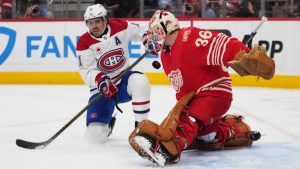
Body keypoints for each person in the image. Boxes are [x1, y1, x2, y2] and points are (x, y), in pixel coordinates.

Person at [129, 10, 275, 166]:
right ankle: (238, 131)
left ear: (163, 29)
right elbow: (182, 88)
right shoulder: (165, 55)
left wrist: (242, 54)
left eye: (153, 32)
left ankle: (168, 147)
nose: (150, 37)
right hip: (195, 99)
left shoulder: (189, 37)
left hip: (215, 92)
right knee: (208, 139)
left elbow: (221, 43)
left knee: (188, 119)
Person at [76, 4, 151, 143]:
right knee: (94, 138)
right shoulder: (83, 42)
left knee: (141, 81)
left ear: (105, 20)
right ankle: (108, 120)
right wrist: (100, 81)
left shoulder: (120, 26)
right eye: (90, 23)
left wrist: (148, 38)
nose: (94, 26)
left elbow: (141, 30)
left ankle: (142, 129)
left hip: (124, 81)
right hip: (102, 89)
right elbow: (86, 71)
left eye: (97, 21)